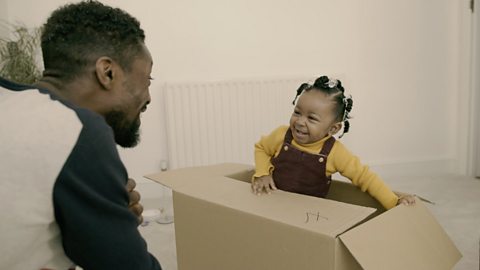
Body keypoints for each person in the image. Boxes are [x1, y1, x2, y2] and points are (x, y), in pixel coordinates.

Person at [0, 1, 161, 269]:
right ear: (107, 72)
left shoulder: (9, 103)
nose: (148, 97)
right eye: (148, 79)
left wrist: (105, 219)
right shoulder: (77, 130)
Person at [251, 75, 415, 210]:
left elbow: (366, 178)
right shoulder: (281, 134)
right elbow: (261, 148)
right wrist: (262, 173)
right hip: (274, 202)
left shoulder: (336, 153)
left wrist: (393, 202)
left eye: (312, 118)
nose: (300, 122)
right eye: (297, 112)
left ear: (333, 129)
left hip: (309, 212)